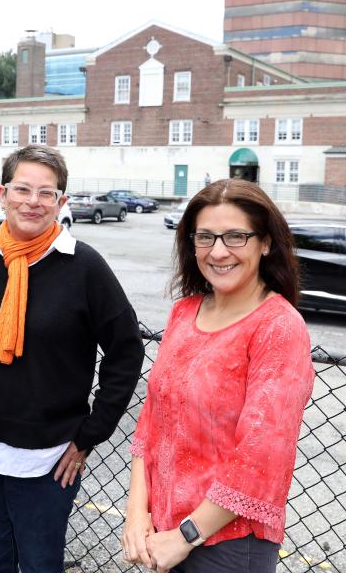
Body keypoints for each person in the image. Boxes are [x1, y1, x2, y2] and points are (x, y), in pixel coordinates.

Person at [0, 145, 145, 572]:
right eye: (22, 189)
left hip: (48, 457)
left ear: (62, 202)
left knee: (40, 564)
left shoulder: (84, 267)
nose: (32, 202)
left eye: (46, 193)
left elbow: (126, 349)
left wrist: (91, 432)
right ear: (2, 194)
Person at [121, 179, 314, 573]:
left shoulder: (277, 328)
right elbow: (151, 423)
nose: (219, 251)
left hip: (227, 543)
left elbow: (261, 456)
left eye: (236, 236)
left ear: (266, 243)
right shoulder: (185, 311)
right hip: (161, 530)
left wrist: (186, 535)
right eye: (205, 237)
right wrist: (136, 511)